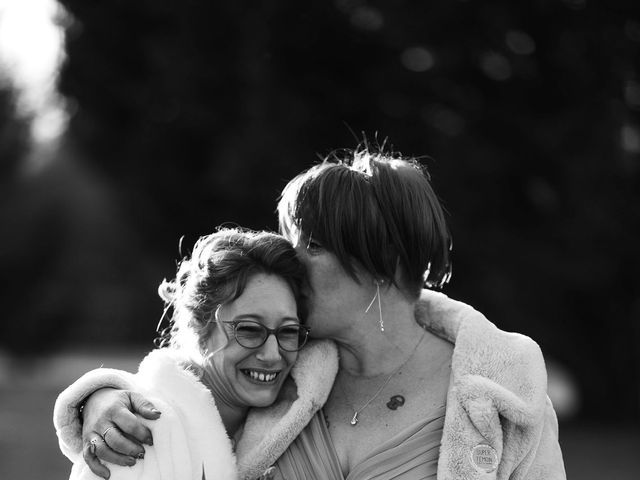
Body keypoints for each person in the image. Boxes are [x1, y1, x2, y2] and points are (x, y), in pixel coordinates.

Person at [54, 147, 566, 479]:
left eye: (312, 245)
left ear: (381, 264)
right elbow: (189, 384)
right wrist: (101, 398)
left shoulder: (501, 393)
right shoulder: (287, 365)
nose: (291, 259)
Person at [53, 227, 338, 480]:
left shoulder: (290, 430)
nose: (273, 354)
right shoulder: (138, 434)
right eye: (250, 330)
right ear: (199, 327)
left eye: (288, 331)